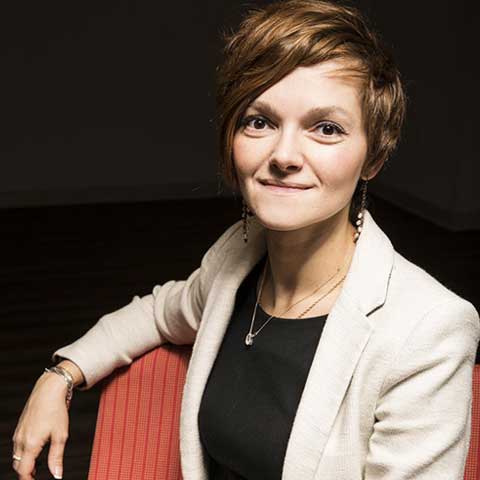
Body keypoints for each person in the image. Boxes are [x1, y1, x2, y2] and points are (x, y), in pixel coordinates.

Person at [12, 0, 480, 479]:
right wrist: (60, 376)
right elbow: (159, 311)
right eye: (260, 121)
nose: (284, 155)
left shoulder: (428, 329)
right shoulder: (236, 260)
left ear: (373, 158)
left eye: (326, 128)